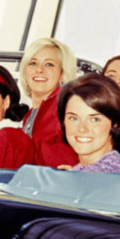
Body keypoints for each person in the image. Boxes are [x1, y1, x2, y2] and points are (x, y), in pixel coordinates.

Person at [19, 37, 79, 168]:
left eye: (49, 64)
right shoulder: (30, 115)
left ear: (62, 74)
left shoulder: (65, 105)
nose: (39, 70)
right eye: (33, 63)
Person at [56, 73, 120, 173]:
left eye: (94, 119)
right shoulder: (87, 171)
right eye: (73, 118)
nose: (82, 129)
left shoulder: (103, 175)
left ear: (115, 123)